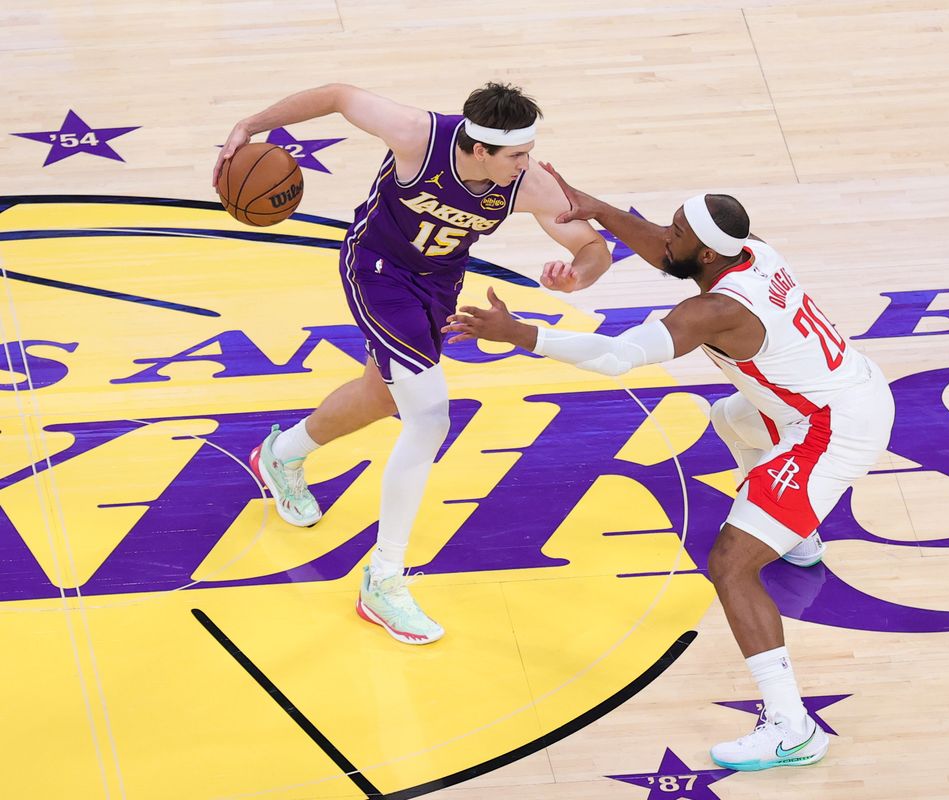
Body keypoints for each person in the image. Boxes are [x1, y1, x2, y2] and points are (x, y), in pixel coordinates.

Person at [442, 166, 894, 771]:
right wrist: (596, 207)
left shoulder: (712, 311)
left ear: (705, 252)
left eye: (677, 230)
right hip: (839, 392)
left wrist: (519, 332)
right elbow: (664, 244)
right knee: (730, 419)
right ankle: (798, 535)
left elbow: (615, 357)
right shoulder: (749, 251)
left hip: (829, 430)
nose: (665, 235)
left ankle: (792, 729)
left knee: (731, 566)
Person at [212, 84, 611, 645]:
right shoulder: (417, 136)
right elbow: (337, 95)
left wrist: (578, 275)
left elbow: (593, 249)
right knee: (428, 416)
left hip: (439, 285)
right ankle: (383, 580)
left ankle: (279, 455)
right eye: (515, 156)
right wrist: (249, 125)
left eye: (527, 152)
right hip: (376, 271)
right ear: (478, 150)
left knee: (382, 395)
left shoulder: (526, 181)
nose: (527, 164)